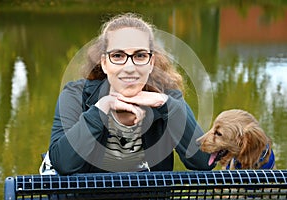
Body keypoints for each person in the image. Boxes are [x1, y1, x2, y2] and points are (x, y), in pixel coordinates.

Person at [48, 13, 214, 175]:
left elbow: (204, 161)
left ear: (151, 63)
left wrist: (168, 106)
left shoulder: (167, 98)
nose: (129, 67)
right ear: (104, 63)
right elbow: (63, 163)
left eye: (140, 55)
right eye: (118, 56)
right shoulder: (76, 95)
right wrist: (101, 108)